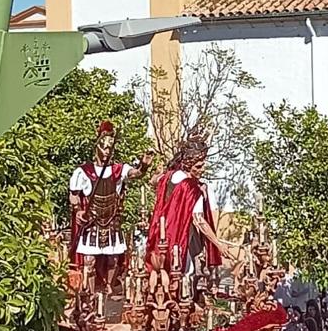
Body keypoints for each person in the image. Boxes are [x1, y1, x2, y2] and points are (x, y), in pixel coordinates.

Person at [68, 120, 153, 294]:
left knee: (114, 259)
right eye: (104, 147)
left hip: (112, 219)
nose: (107, 151)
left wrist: (143, 165)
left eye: (109, 148)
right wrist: (78, 211)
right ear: (97, 147)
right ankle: (90, 293)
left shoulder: (118, 170)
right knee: (89, 261)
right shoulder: (84, 171)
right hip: (92, 221)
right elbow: (74, 194)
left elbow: (135, 173)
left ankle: (109, 286)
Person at [144, 138, 228, 275]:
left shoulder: (168, 176)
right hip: (177, 240)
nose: (203, 169)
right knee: (186, 272)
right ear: (189, 164)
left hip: (159, 236)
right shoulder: (191, 188)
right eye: (199, 166)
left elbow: (153, 181)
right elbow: (199, 221)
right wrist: (218, 245)